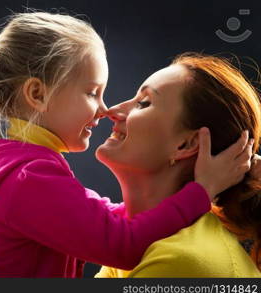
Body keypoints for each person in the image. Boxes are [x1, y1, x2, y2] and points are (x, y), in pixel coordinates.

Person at [0, 12, 251, 277]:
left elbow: (102, 217)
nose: (106, 109)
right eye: (92, 92)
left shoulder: (14, 164)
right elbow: (121, 244)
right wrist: (200, 192)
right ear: (38, 95)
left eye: (144, 103)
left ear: (188, 143)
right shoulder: (28, 178)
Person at [95, 53, 261, 278]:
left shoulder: (179, 262)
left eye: (143, 103)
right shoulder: (132, 243)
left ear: (186, 144)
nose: (113, 111)